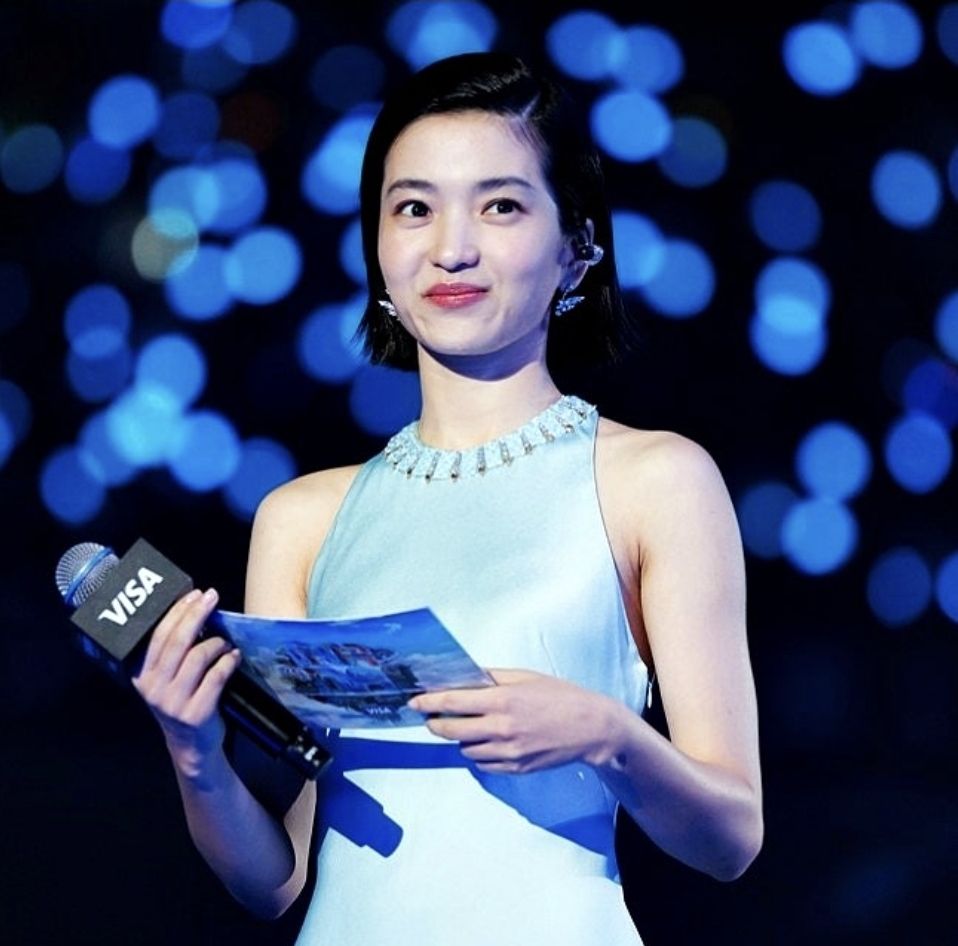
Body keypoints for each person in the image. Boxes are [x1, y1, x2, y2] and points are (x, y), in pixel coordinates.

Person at [131, 52, 762, 945]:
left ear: (576, 247)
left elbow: (732, 838)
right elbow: (274, 880)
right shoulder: (301, 519)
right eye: (414, 209)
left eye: (500, 205)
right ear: (378, 250)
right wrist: (194, 754)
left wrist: (608, 735)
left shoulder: (654, 479)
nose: (451, 247)